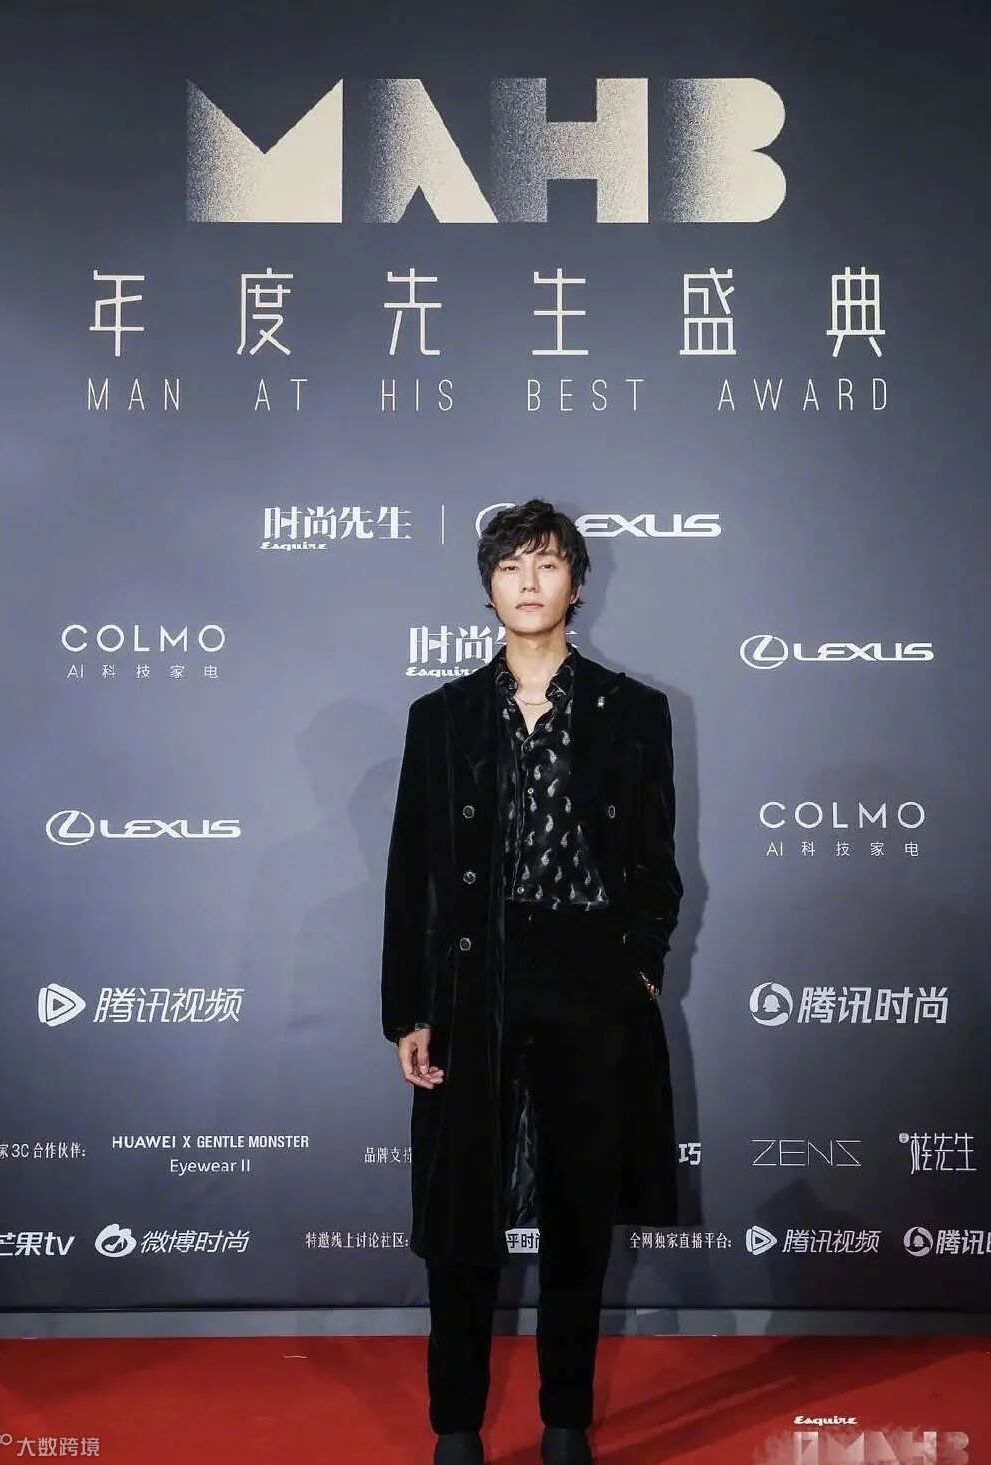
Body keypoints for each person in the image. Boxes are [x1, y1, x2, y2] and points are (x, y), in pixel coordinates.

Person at [381, 499, 684, 1465]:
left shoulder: (634, 712)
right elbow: (411, 877)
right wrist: (409, 1009)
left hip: (589, 983)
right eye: (511, 564)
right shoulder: (441, 718)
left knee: (578, 1215)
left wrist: (637, 966)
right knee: (461, 1219)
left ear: (576, 585)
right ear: (488, 586)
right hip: (474, 981)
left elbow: (656, 865)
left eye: (547, 564)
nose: (528, 580)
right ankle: (456, 1427)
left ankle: (564, 1422)